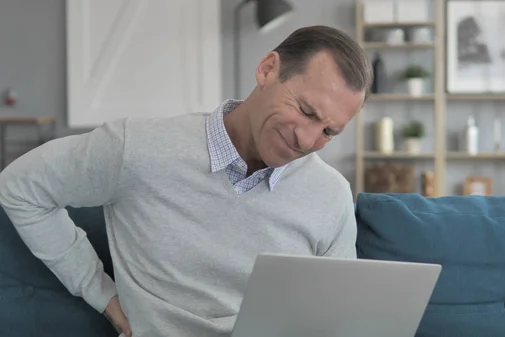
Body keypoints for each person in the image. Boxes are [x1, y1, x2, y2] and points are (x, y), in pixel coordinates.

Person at [0, 25, 372, 337]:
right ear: (268, 69)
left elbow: (338, 319)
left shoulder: (330, 195)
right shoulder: (138, 148)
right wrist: (102, 295)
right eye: (306, 111)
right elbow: (19, 187)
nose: (307, 141)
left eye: (329, 131)